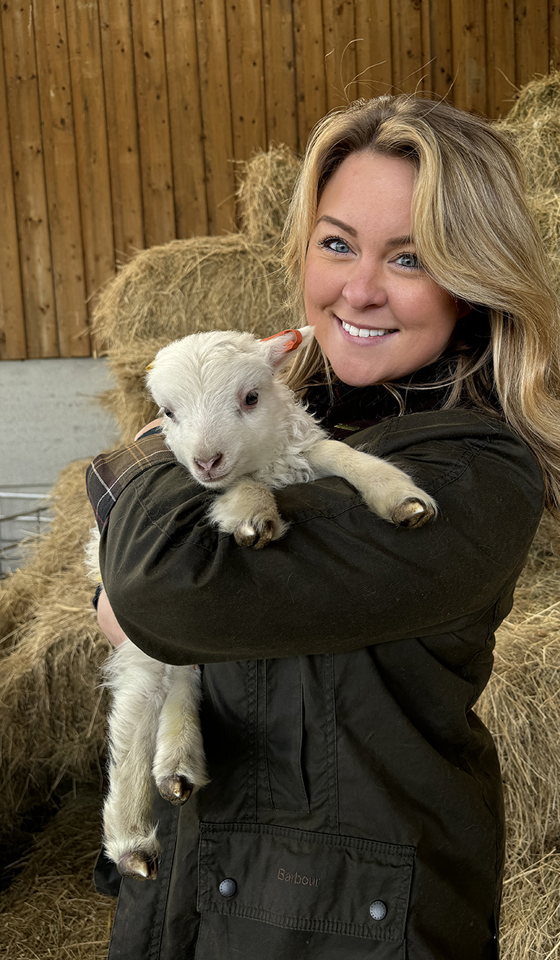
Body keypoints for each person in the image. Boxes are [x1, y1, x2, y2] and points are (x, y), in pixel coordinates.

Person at [87, 93, 560, 960]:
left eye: (411, 258)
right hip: (191, 898)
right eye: (337, 243)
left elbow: (159, 589)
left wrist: (159, 439)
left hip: (342, 925)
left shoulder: (470, 473)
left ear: (472, 276)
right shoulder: (283, 414)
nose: (361, 289)